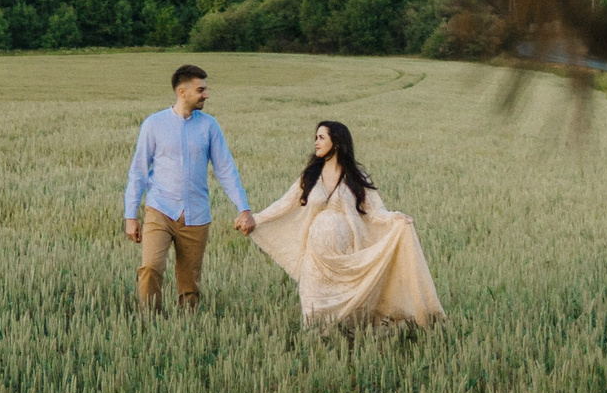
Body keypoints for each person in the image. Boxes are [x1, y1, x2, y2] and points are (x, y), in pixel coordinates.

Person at [247, 119, 445, 329]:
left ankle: (350, 340)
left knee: (349, 310)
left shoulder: (355, 177)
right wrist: (255, 219)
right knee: (314, 306)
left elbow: (375, 211)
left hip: (345, 257)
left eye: (321, 137)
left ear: (337, 142)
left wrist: (395, 218)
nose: (316, 142)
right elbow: (284, 204)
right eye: (316, 138)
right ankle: (319, 346)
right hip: (315, 259)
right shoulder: (311, 175)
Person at [123, 63, 256, 311]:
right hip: (159, 210)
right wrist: (130, 216)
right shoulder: (154, 124)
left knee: (190, 282)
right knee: (150, 267)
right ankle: (149, 323)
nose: (206, 94)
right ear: (182, 92)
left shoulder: (209, 126)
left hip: (196, 215)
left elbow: (226, 169)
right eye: (201, 89)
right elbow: (138, 172)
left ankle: (186, 328)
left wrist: (244, 208)